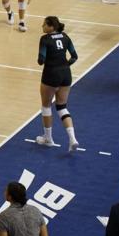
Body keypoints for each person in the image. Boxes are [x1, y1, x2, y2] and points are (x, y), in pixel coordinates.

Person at [35, 16, 79, 151]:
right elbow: (74, 56)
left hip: (51, 75)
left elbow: (41, 60)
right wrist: (65, 64)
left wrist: (43, 58)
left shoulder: (45, 39)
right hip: (66, 74)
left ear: (51, 27)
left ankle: (48, 138)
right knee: (62, 107)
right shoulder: (65, 37)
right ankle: (72, 138)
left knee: (46, 106)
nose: (42, 27)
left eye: (44, 25)